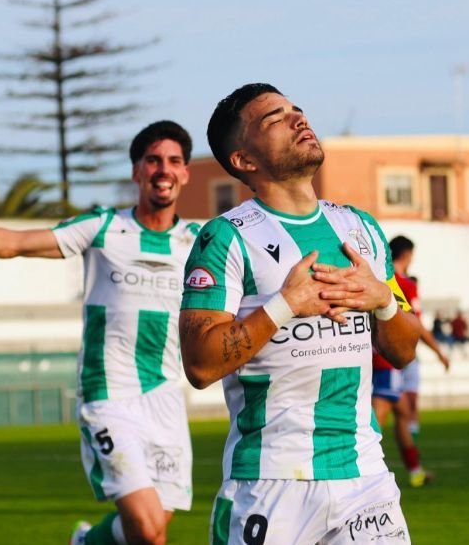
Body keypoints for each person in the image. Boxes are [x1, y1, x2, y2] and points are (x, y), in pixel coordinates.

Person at [0, 121, 200, 545]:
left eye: (174, 161)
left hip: (165, 398)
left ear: (185, 173)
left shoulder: (198, 242)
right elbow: (18, 242)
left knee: (153, 528)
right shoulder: (105, 227)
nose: (163, 169)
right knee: (147, 531)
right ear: (136, 171)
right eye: (153, 160)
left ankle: (85, 543)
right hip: (110, 394)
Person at [180, 84, 421, 544]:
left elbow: (405, 350)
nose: (298, 119)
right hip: (270, 482)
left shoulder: (361, 229)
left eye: (297, 110)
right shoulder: (225, 238)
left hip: (364, 479)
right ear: (244, 160)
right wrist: (285, 304)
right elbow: (200, 364)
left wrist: (383, 301)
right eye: (274, 119)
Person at [372, 235, 448, 488]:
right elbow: (414, 326)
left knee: (403, 412)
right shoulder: (403, 284)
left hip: (374, 355)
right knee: (378, 415)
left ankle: (415, 471)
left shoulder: (375, 278)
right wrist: (438, 350)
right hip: (389, 359)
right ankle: (364, 468)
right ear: (407, 255)